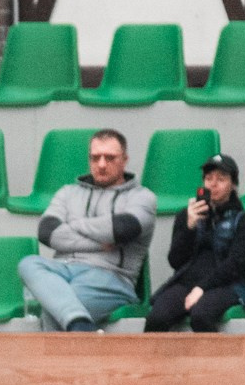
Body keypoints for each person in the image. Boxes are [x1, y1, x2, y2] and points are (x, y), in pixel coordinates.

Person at [19, 130, 158, 331]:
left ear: (124, 160)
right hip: (63, 269)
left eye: (110, 158)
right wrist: (100, 243)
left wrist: (73, 224)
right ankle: (80, 325)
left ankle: (78, 325)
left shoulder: (142, 197)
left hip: (109, 277)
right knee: (29, 263)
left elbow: (121, 229)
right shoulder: (67, 193)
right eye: (95, 157)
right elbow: (47, 232)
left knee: (55, 309)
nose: (101, 164)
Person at [145, 154, 245, 333]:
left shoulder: (242, 220)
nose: (213, 184)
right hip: (186, 282)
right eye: (209, 179)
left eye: (221, 179)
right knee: (157, 317)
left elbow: (235, 264)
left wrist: (202, 288)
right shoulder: (186, 215)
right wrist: (189, 227)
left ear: (233, 184)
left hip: (227, 285)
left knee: (201, 315)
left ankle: (215, 353)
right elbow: (175, 261)